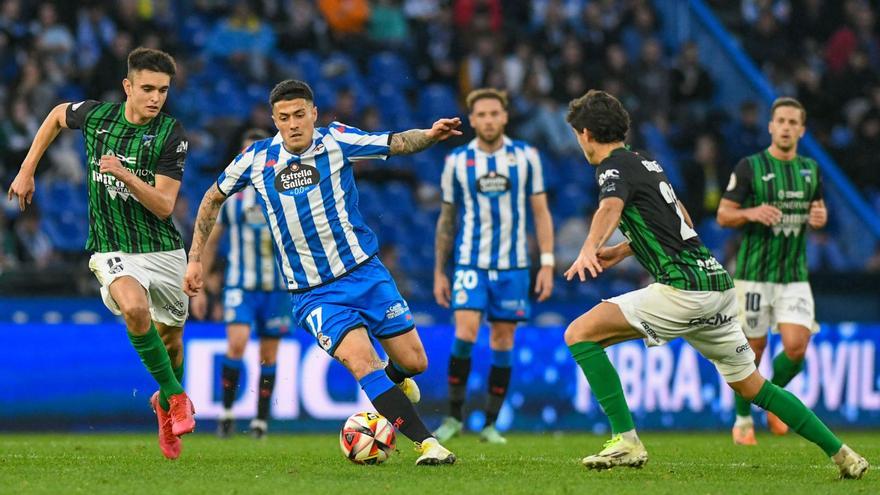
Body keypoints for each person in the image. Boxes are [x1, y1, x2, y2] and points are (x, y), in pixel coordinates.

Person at [561, 89, 867, 479]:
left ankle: (627, 440)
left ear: (585, 133)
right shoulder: (646, 162)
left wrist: (589, 248)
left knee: (579, 334)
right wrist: (623, 250)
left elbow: (609, 207)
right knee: (755, 387)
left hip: (683, 289)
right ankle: (843, 454)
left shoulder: (611, 168)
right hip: (716, 285)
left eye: (576, 134)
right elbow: (680, 219)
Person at [184, 79, 461, 465]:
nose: (293, 123)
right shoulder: (256, 159)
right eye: (284, 117)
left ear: (314, 113)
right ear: (274, 120)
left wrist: (429, 135)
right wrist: (195, 258)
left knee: (415, 361)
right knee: (363, 363)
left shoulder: (336, 141)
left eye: (300, 115)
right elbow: (212, 196)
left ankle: (396, 381)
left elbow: (394, 142)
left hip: (365, 273)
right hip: (314, 293)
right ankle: (428, 444)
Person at [6, 47, 195, 460]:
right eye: (147, 88)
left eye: (163, 90)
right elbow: (57, 113)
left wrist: (124, 173)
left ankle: (163, 402)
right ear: (127, 87)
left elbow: (165, 206)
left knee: (173, 343)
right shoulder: (97, 117)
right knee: (133, 308)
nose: (155, 97)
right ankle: (178, 397)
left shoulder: (170, 133)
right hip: (112, 247)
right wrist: (27, 168)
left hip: (162, 249)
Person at [432, 88, 554, 444]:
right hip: (471, 262)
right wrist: (441, 270)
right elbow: (447, 218)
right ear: (472, 120)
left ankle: (489, 424)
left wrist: (546, 263)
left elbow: (540, 211)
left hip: (514, 266)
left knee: (503, 340)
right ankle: (454, 418)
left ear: (505, 117)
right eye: (481, 114)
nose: (487, 120)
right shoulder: (456, 161)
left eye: (493, 113)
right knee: (465, 334)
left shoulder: (526, 157)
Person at [717, 97, 828, 445]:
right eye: (781, 120)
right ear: (770, 126)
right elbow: (723, 215)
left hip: (794, 275)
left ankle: (774, 402)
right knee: (752, 349)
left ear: (802, 129)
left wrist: (819, 219)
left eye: (793, 122)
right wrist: (751, 213)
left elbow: (817, 211)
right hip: (753, 274)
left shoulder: (810, 169)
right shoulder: (750, 167)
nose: (786, 127)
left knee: (796, 347)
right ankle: (743, 418)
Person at [190, 128, 290, 440]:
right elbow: (211, 241)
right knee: (237, 343)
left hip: (277, 288)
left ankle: (260, 421)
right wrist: (203, 286)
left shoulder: (284, 195)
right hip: (240, 286)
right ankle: (228, 412)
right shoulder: (231, 200)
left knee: (269, 355)